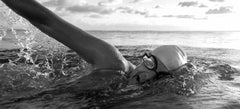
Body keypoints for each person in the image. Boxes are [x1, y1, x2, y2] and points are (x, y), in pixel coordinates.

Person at [1, 0, 187, 90]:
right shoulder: (110, 60)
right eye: (149, 62)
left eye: (159, 74)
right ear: (144, 58)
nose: (146, 73)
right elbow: (46, 21)